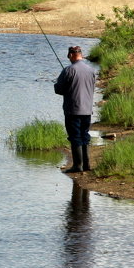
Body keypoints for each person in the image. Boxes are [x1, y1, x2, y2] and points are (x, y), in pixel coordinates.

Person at [54, 45, 97, 173]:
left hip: (73, 110)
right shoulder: (91, 70)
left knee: (75, 137)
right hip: (87, 109)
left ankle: (77, 165)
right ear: (81, 55)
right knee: (85, 135)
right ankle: (87, 165)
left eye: (69, 56)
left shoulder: (68, 70)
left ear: (71, 55)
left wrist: (57, 84)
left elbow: (59, 89)